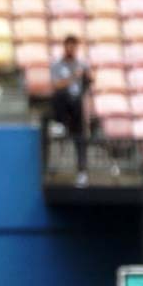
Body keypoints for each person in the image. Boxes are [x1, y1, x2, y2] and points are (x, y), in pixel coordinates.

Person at [50, 34, 94, 187]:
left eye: (73, 45)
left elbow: (90, 81)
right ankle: (60, 123)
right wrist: (73, 78)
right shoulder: (57, 65)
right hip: (64, 104)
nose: (71, 48)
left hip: (78, 105)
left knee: (80, 138)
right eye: (68, 45)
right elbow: (56, 86)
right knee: (61, 94)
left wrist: (87, 78)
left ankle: (82, 173)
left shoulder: (82, 64)